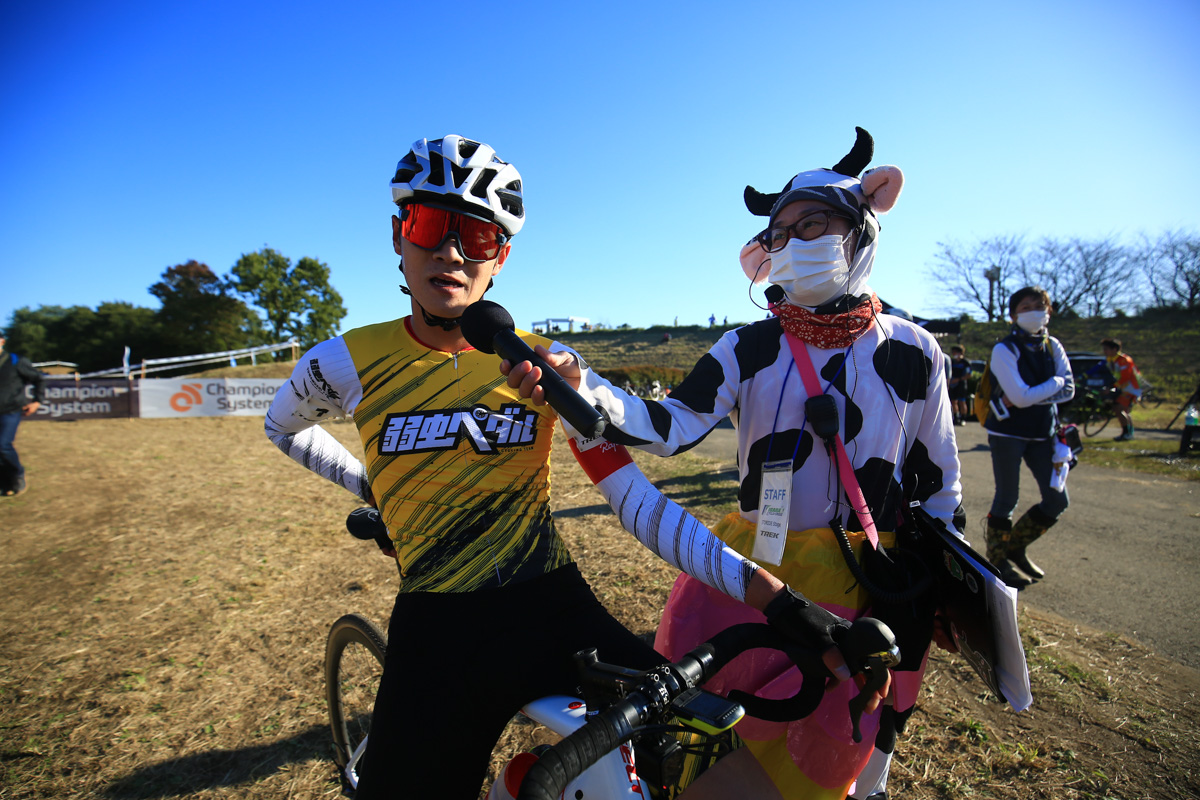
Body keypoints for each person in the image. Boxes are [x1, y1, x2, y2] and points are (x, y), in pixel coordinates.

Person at [263, 135, 869, 799]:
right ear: (397, 234)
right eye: (431, 226)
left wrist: (780, 603)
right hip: (435, 627)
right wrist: (373, 487)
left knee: (729, 779)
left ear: (503, 257)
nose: (452, 252)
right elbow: (282, 427)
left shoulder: (544, 362)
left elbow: (636, 504)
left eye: (479, 236)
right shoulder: (346, 359)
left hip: (552, 610)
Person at [505, 128, 962, 800]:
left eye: (814, 223)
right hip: (749, 575)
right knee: (713, 739)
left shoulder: (918, 351)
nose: (795, 242)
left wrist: (943, 585)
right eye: (779, 234)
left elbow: (941, 482)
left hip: (871, 584)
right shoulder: (747, 346)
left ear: (862, 228)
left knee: (840, 753)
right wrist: (582, 382)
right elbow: (665, 427)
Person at [982, 286, 1074, 588]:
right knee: (1007, 497)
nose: (1035, 311)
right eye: (1026, 306)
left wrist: (1040, 391)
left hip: (1043, 433)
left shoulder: (1053, 345)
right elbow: (1021, 398)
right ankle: (996, 561)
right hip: (1007, 433)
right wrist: (1054, 383)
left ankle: (1015, 546)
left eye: (1041, 305)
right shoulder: (1004, 349)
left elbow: (1069, 390)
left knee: (1057, 499)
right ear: (1013, 314)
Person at [0, 329, 44, 497]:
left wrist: (37, 401)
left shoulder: (16, 361)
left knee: (3, 445)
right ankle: (6, 483)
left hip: (10, 411)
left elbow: (38, 379)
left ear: (2, 342)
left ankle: (18, 475)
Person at [1100, 338, 1140, 441]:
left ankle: (1127, 433)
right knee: (1123, 410)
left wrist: (1112, 388)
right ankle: (1128, 433)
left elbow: (1125, 377)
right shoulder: (1112, 360)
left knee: (1118, 408)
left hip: (1131, 389)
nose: (1104, 351)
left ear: (1114, 349)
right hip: (1124, 388)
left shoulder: (1124, 360)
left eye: (1106, 349)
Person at [947, 345, 972, 426]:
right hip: (953, 384)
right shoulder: (952, 362)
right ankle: (956, 417)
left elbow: (969, 375)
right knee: (953, 401)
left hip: (961, 384)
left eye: (955, 352)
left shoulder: (965, 362)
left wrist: (959, 379)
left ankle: (963, 418)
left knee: (962, 401)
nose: (953, 354)